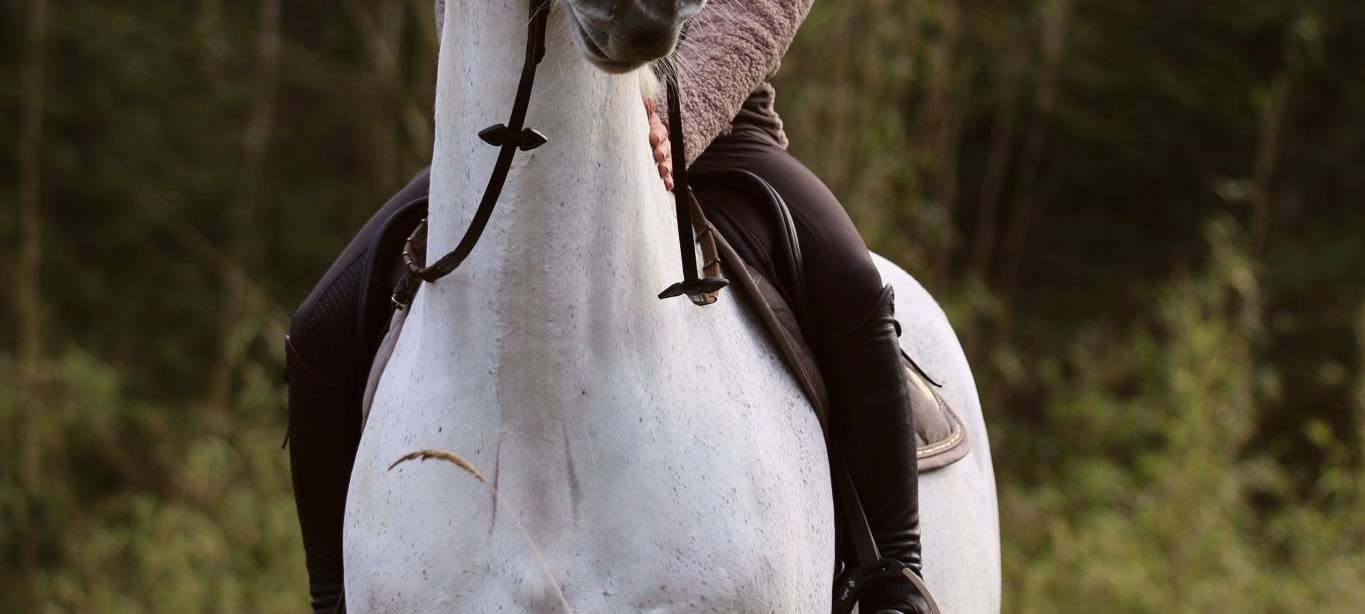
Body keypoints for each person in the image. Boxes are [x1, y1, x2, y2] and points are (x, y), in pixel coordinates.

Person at [285, 1, 931, 612]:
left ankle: (892, 580)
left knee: (852, 287)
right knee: (320, 331)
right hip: (512, 146)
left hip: (715, 131)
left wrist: (685, 105)